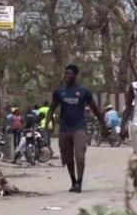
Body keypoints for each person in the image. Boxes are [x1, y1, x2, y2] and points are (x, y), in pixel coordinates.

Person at [46, 64, 107, 193]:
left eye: (69, 74)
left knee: (79, 156)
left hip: (79, 128)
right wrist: (48, 122)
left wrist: (103, 124)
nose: (66, 76)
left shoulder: (83, 91)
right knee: (68, 158)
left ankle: (79, 182)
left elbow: (95, 108)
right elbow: (52, 107)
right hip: (64, 129)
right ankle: (73, 181)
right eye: (65, 73)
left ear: (75, 75)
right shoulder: (59, 92)